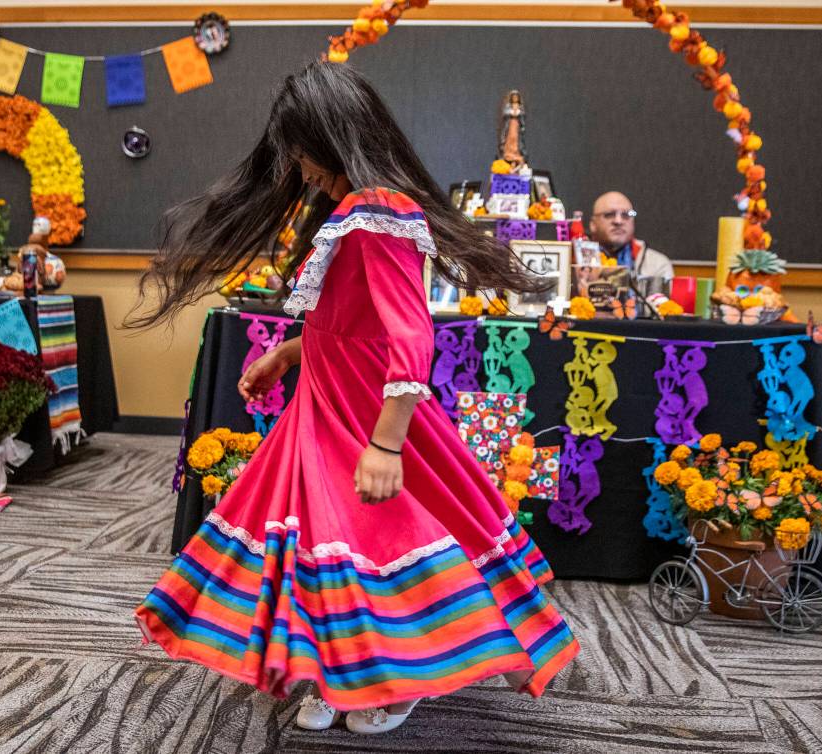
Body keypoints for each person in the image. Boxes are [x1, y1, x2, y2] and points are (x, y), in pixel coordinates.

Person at [129, 61, 578, 736]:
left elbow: (408, 333)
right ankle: (338, 674)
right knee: (321, 545)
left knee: (372, 541)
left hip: (366, 418)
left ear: (331, 139)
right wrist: (289, 352)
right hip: (324, 409)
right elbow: (346, 323)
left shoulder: (379, 216)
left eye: (301, 151)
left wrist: (386, 442)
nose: (298, 167)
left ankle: (395, 682)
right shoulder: (352, 214)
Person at [588, 191, 673, 281]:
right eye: (609, 214)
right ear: (593, 224)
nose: (618, 221)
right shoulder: (575, 260)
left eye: (626, 215)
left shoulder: (657, 265)